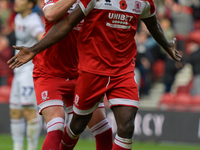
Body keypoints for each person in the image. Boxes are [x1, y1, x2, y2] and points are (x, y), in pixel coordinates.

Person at [8, 0, 182, 149]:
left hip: (85, 71)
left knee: (111, 129)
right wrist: (33, 49)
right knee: (58, 126)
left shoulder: (141, 2)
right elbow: (53, 16)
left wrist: (166, 45)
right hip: (52, 72)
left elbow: (152, 23)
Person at [31, 0, 113, 149]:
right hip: (49, 71)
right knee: (56, 126)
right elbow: (50, 14)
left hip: (82, 73)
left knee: (104, 130)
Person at [9, 0, 45, 150]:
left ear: (30, 4)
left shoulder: (33, 21)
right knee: (15, 111)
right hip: (18, 71)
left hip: (29, 72)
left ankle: (32, 148)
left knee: (30, 113)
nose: (16, 1)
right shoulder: (18, 18)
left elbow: (42, 37)